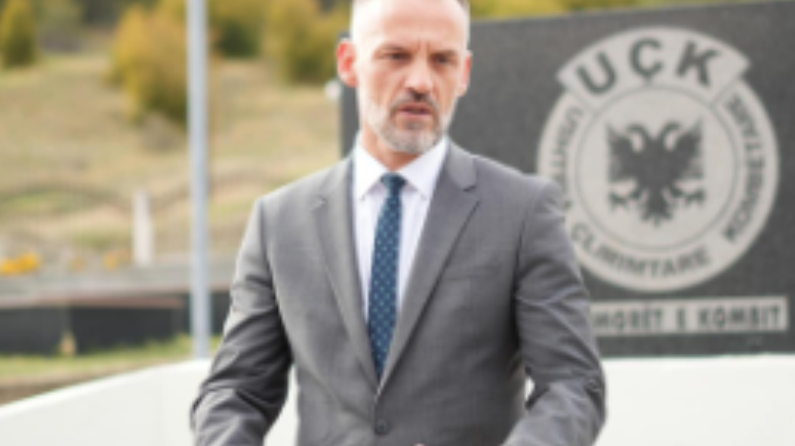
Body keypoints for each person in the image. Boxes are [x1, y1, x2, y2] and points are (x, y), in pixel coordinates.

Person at [191, 0, 606, 445]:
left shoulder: (523, 212)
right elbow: (236, 392)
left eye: (442, 60)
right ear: (349, 62)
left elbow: (572, 386)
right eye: (397, 55)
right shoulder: (279, 222)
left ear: (464, 73)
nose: (421, 81)